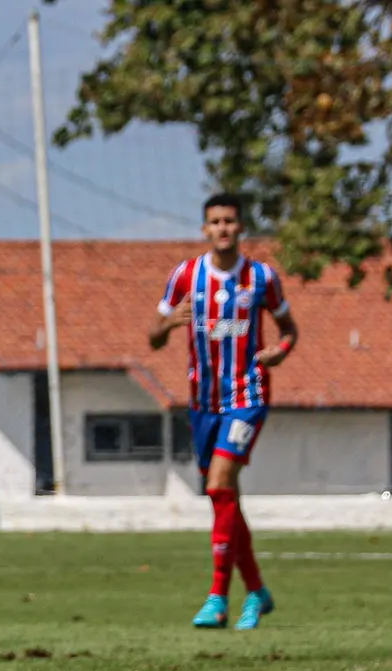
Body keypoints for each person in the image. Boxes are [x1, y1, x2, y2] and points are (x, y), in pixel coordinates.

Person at [151, 192, 297, 630]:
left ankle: (218, 597)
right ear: (204, 229)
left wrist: (280, 351)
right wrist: (167, 325)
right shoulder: (186, 276)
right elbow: (153, 338)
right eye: (215, 222)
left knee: (218, 483)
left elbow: (289, 330)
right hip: (203, 404)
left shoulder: (261, 278)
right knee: (224, 498)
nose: (223, 229)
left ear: (240, 228)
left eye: (230, 221)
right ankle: (257, 591)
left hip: (247, 399)